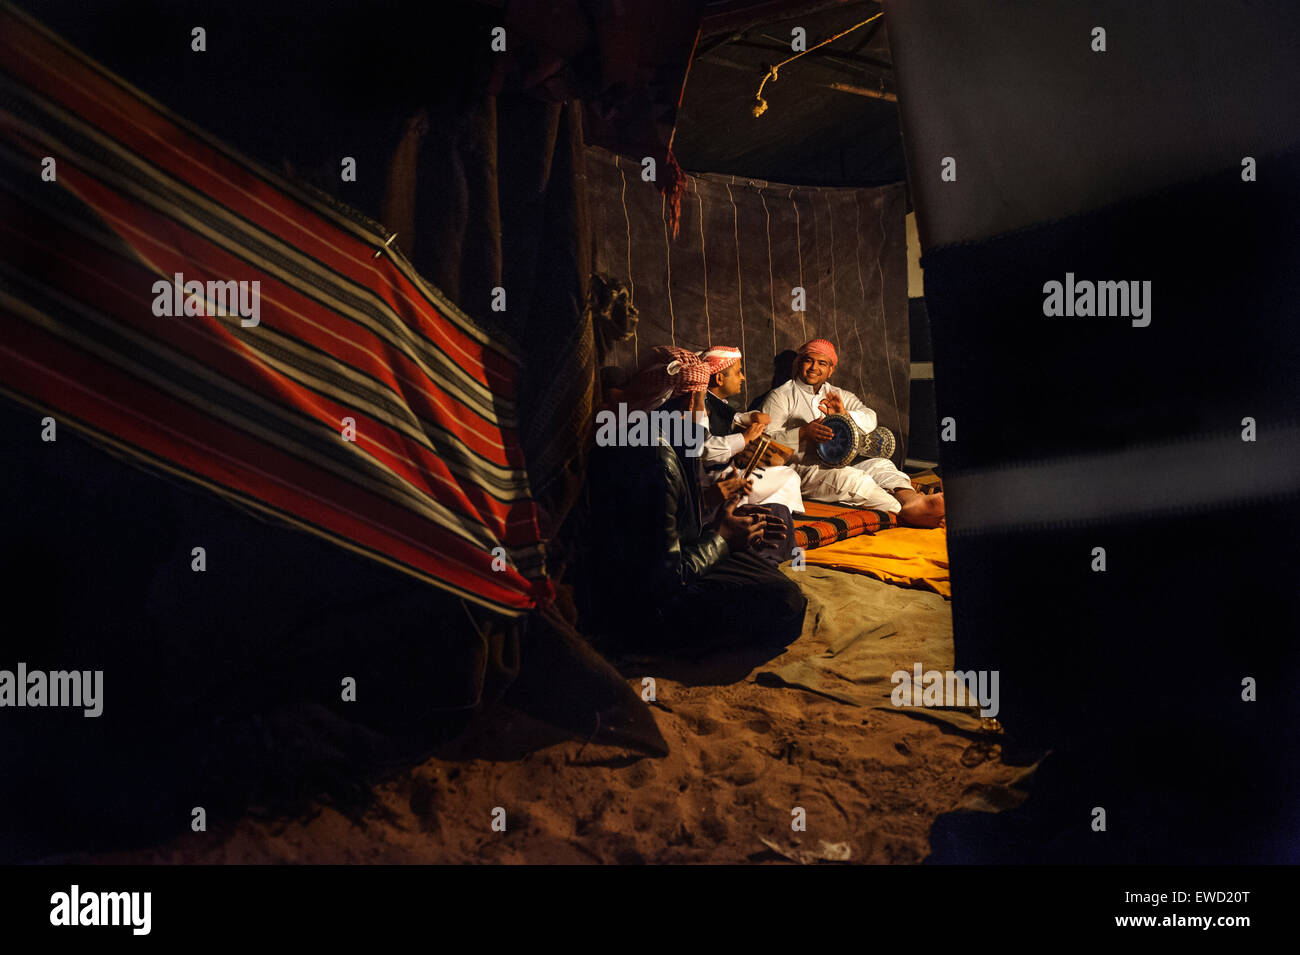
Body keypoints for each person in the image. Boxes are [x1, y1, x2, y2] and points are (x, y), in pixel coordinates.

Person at [586, 346, 807, 649]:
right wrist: (723, 538)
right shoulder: (655, 456)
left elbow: (675, 526)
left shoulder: (662, 439)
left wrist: (722, 512)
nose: (703, 413)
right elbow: (662, 578)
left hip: (675, 564)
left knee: (772, 555)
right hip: (644, 603)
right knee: (786, 602)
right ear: (691, 400)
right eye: (702, 402)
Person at [760, 338, 945, 528]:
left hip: (843, 462)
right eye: (809, 360)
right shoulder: (781, 396)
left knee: (882, 465)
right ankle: (906, 511)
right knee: (853, 479)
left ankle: (912, 499)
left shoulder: (838, 394)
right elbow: (763, 443)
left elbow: (870, 418)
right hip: (802, 468)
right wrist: (804, 433)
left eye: (822, 363)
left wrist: (844, 414)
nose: (814, 367)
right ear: (799, 363)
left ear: (831, 369)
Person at [697, 346, 803, 524]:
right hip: (713, 484)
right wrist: (744, 439)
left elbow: (732, 417)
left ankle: (770, 518)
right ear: (720, 378)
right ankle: (756, 520)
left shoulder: (715, 403)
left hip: (727, 473)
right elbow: (702, 448)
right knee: (788, 477)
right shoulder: (699, 406)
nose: (743, 377)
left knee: (788, 475)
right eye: (738, 372)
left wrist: (751, 417)